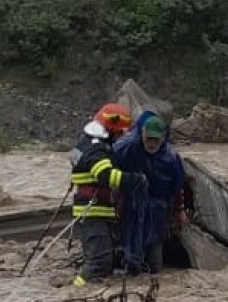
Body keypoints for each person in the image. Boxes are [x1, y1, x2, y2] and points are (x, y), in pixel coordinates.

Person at [69, 103, 145, 287]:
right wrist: (135, 179)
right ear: (110, 129)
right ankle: (78, 292)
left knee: (108, 259)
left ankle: (94, 293)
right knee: (99, 262)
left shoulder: (87, 142)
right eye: (119, 133)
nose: (120, 137)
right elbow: (106, 176)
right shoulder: (95, 149)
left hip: (97, 209)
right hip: (92, 210)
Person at [112, 111, 188, 275]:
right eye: (149, 138)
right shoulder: (127, 149)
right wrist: (116, 201)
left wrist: (179, 210)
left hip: (158, 209)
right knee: (130, 249)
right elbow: (113, 174)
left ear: (163, 138)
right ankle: (129, 264)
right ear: (142, 134)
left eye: (156, 139)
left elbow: (177, 187)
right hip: (131, 206)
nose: (152, 143)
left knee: (154, 259)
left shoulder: (171, 158)